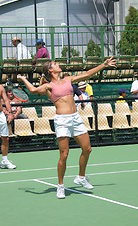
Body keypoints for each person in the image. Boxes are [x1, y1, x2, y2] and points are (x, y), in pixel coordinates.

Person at [17, 56, 116, 199]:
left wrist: (104, 65)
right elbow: (32, 90)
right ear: (50, 70)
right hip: (62, 120)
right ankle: (60, 186)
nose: (58, 65)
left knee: (87, 149)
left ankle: (81, 177)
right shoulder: (48, 86)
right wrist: (22, 79)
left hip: (76, 118)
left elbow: (87, 74)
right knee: (64, 155)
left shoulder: (68, 79)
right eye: (55, 64)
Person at [0, 85, 16, 169]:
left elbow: (6, 100)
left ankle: (4, 161)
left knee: (5, 138)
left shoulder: (1, 87)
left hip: (1, 115)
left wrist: (10, 113)